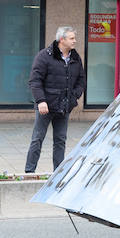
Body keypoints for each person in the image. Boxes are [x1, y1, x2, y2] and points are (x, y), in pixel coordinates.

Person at [25, 26, 84, 174]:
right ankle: (29, 172)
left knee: (60, 141)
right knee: (37, 139)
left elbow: (81, 80)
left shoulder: (75, 58)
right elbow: (35, 81)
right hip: (46, 106)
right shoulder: (44, 56)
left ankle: (58, 173)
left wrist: (73, 96)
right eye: (71, 38)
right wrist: (41, 101)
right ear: (61, 40)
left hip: (64, 107)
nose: (75, 41)